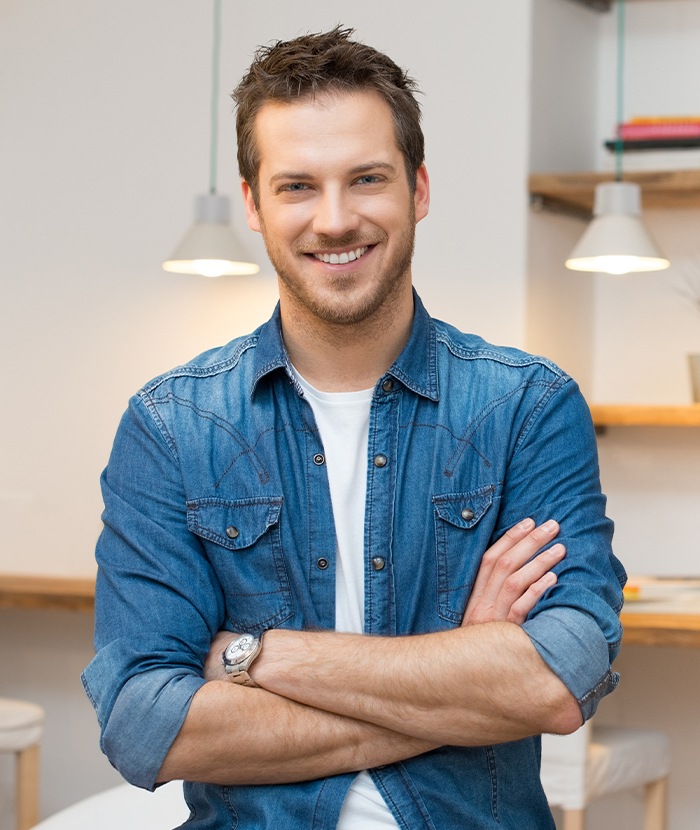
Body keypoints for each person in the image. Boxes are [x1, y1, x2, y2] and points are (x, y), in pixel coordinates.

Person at [82, 26, 626, 829]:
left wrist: (257, 656)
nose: (334, 220)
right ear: (254, 206)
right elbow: (144, 725)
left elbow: (558, 679)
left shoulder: (526, 407)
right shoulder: (171, 426)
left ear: (420, 187)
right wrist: (461, 674)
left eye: (366, 178)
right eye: (297, 185)